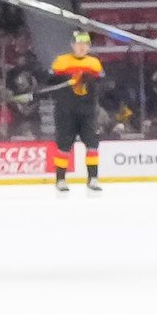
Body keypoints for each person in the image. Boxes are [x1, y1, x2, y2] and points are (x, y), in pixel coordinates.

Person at [50, 30, 104, 192]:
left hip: (87, 111)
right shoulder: (61, 61)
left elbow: (102, 82)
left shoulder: (94, 63)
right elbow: (50, 81)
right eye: (79, 44)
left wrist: (89, 79)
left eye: (85, 44)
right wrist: (67, 79)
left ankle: (93, 178)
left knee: (92, 144)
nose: (82, 47)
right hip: (66, 111)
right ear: (72, 45)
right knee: (64, 146)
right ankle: (60, 180)